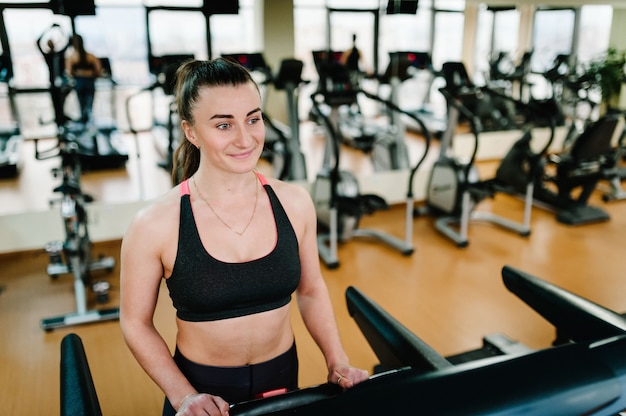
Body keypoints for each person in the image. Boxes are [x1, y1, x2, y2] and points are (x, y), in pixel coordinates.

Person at [119, 57, 369, 416]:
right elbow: (135, 322)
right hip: (201, 389)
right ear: (191, 132)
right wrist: (183, 396)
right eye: (224, 125)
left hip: (282, 373)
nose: (245, 138)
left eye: (253, 119)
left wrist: (337, 360)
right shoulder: (154, 224)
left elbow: (311, 291)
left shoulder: (295, 203)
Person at [36, 24, 70, 126]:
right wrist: (47, 30)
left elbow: (67, 42)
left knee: (62, 101)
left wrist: (61, 30)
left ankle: (62, 118)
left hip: (62, 83)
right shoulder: (48, 56)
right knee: (56, 103)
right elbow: (37, 42)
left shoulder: (60, 55)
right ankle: (59, 120)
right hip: (52, 83)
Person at [65, 34, 102, 124]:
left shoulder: (72, 57)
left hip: (79, 82)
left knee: (82, 106)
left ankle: (85, 123)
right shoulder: (91, 56)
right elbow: (98, 71)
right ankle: (88, 123)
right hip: (89, 81)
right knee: (89, 106)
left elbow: (69, 72)